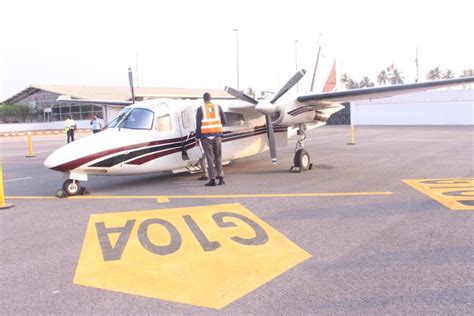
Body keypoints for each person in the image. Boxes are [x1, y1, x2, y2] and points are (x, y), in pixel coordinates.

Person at [195, 92, 226, 186]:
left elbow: (198, 125)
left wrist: (197, 137)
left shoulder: (200, 109)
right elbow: (224, 121)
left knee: (209, 158)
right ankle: (221, 178)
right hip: (217, 136)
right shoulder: (218, 107)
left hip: (206, 138)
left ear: (204, 99)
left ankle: (212, 180)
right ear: (211, 98)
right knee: (218, 157)